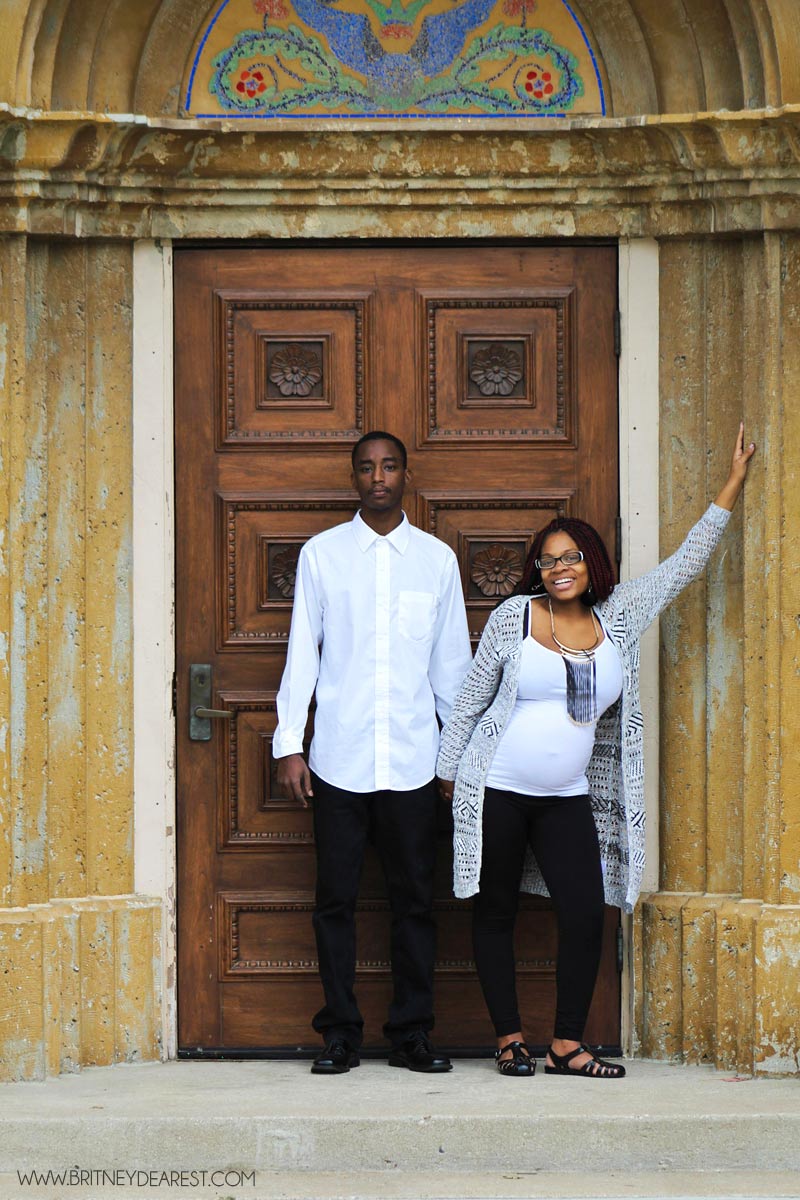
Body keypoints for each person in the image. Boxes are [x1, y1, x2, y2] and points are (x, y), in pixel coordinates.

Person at [436, 424, 756, 1079]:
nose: (559, 569)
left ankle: (566, 1044)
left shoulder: (619, 615)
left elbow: (683, 567)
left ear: (591, 564)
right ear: (537, 569)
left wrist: (732, 484)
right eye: (548, 561)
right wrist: (447, 778)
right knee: (495, 911)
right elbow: (470, 700)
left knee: (585, 913)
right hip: (496, 788)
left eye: (571, 558)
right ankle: (508, 1039)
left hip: (567, 797)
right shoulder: (514, 618)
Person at [273, 431, 473, 1075]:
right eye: (366, 467)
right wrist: (289, 744)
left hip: (415, 763)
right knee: (334, 901)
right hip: (339, 758)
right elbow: (302, 653)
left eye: (389, 466)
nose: (378, 477)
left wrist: (455, 759)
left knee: (415, 903)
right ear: (354, 477)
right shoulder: (323, 555)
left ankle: (412, 1034)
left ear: (406, 475)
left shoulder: (436, 560)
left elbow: (452, 666)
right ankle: (340, 1034)